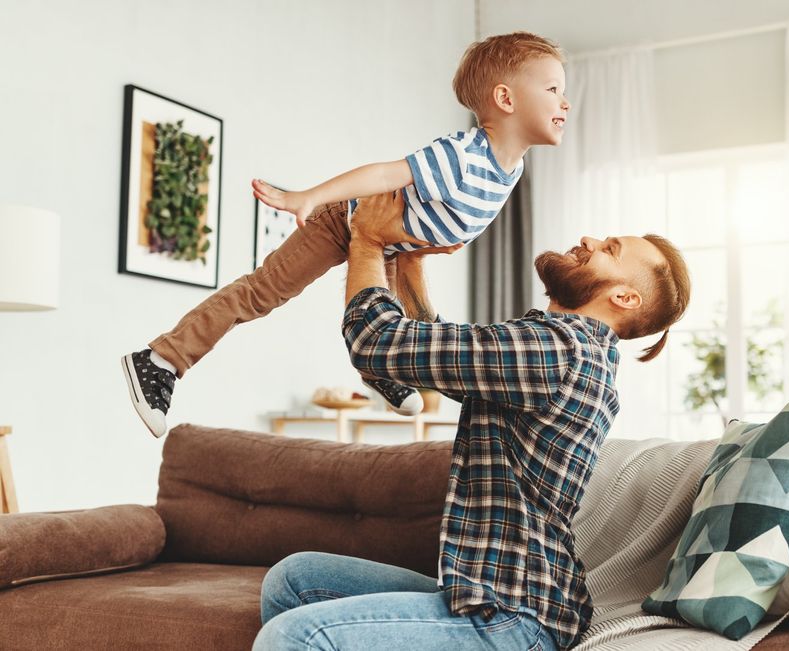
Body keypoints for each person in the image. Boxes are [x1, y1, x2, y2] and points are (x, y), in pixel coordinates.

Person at [253, 191, 691, 651]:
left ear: (624, 296)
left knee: (297, 634)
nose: (589, 240)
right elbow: (439, 352)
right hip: (493, 595)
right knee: (295, 579)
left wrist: (366, 238)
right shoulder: (569, 353)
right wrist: (411, 262)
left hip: (515, 618)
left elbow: (376, 342)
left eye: (609, 249)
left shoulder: (559, 349)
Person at [121, 31, 571, 437]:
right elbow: (383, 175)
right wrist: (309, 197)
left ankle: (380, 372)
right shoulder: (463, 155)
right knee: (264, 292)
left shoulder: (512, 168)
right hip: (347, 221)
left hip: (397, 243)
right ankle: (160, 360)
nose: (564, 102)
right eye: (553, 90)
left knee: (410, 326)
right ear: (506, 99)